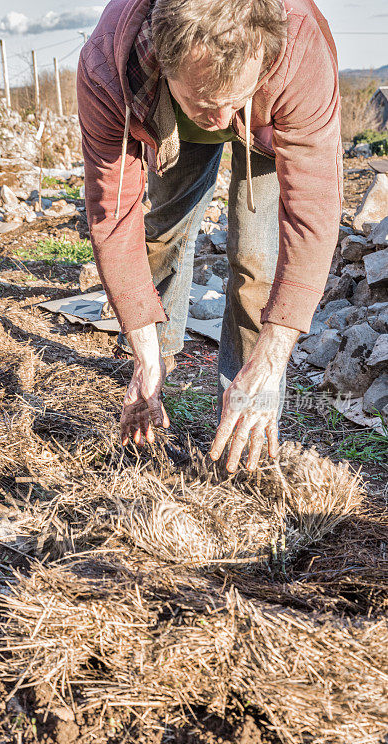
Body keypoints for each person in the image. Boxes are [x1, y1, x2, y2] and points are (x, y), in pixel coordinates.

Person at [77, 0, 342, 471]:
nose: (221, 120)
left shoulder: (300, 51)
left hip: (265, 123)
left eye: (230, 100)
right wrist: (144, 354)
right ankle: (156, 363)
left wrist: (273, 357)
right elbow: (114, 218)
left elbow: (313, 210)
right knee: (161, 232)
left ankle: (246, 404)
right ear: (163, 57)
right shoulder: (108, 71)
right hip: (165, 122)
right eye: (205, 102)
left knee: (258, 260)